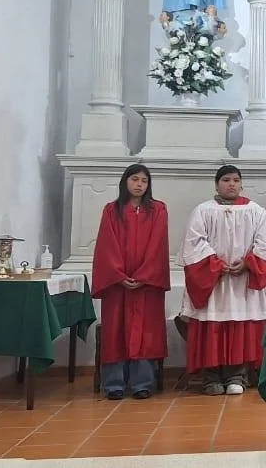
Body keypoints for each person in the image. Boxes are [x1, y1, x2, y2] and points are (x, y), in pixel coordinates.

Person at [176, 165, 266, 395]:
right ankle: (211, 377)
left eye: (235, 180)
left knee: (241, 327)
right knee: (211, 327)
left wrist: (247, 263)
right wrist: (215, 264)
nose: (231, 184)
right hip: (213, 282)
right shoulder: (203, 211)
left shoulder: (256, 212)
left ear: (241, 184)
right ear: (217, 185)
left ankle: (238, 375)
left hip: (243, 282)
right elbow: (194, 243)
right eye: (225, 180)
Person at [91, 164, 171, 400]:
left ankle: (142, 383)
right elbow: (106, 245)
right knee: (115, 332)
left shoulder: (158, 210)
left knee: (145, 333)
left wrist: (145, 275)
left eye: (144, 181)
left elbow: (158, 245)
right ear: (125, 181)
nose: (139, 185)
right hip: (118, 285)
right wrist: (118, 275)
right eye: (135, 179)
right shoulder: (112, 210)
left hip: (147, 285)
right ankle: (113, 384)